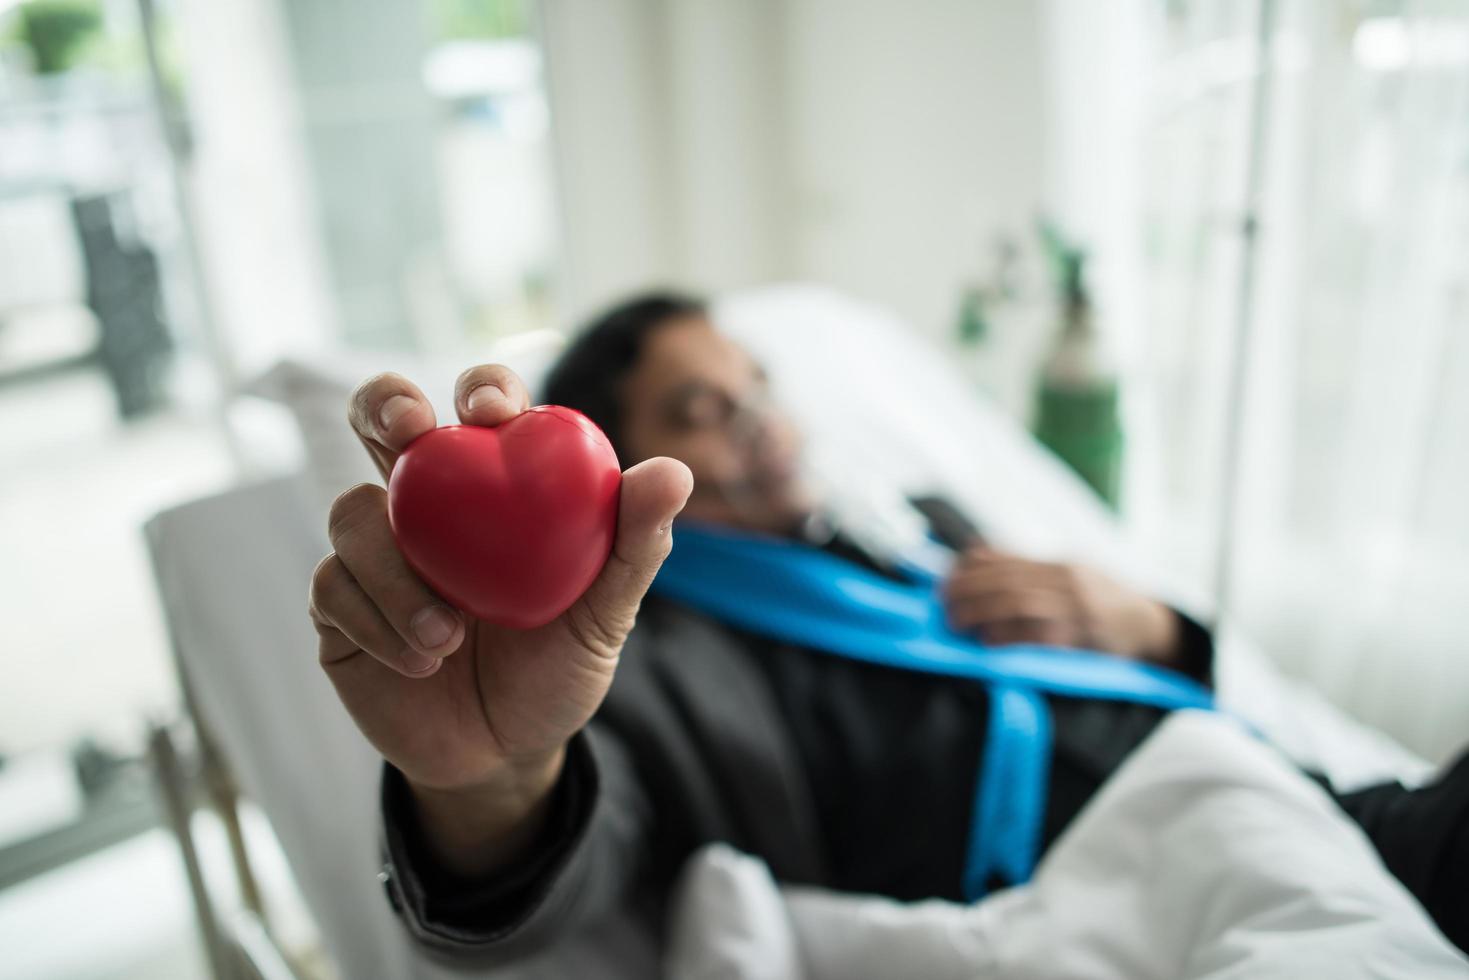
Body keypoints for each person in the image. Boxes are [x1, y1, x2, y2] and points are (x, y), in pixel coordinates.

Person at [308, 292, 1468, 966]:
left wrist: (1157, 626)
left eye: (755, 382)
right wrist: (486, 780)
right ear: (612, 457)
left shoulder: (913, 528)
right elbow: (571, 864)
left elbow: (1149, 679)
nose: (759, 420)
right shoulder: (629, 661)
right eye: (700, 410)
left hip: (1306, 799)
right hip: (1109, 892)